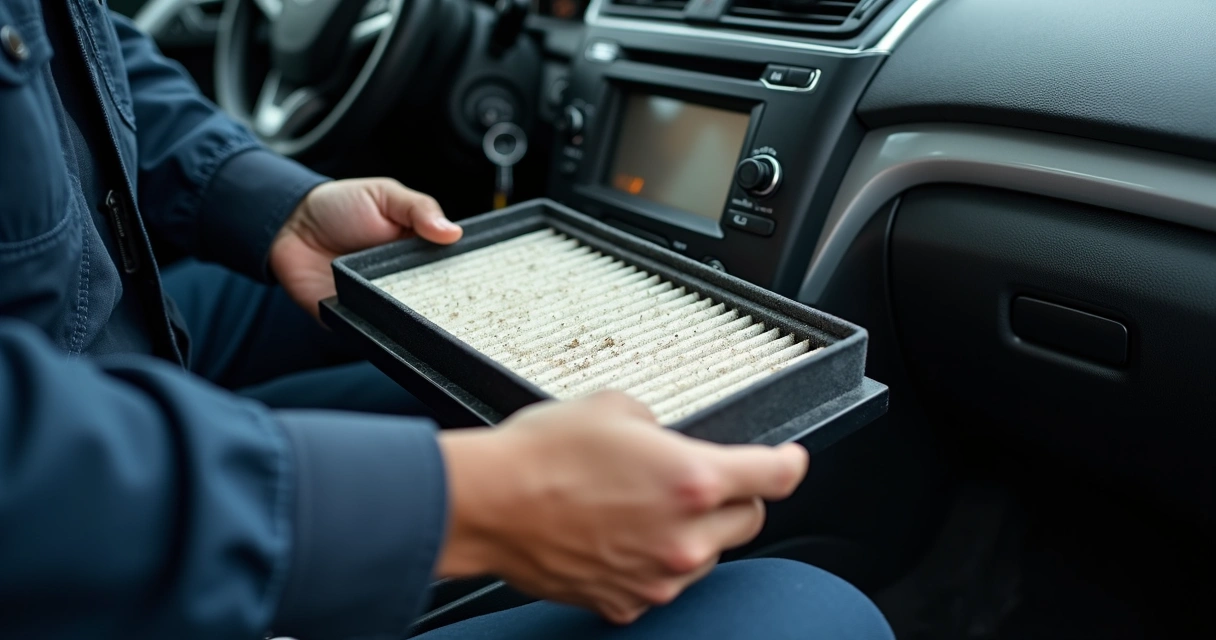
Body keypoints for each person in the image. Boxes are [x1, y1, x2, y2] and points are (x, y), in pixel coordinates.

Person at [0, 1, 896, 639]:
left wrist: (262, 199)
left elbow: (65, 42)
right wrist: (469, 503)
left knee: (453, 356)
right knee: (813, 617)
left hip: (73, 338)